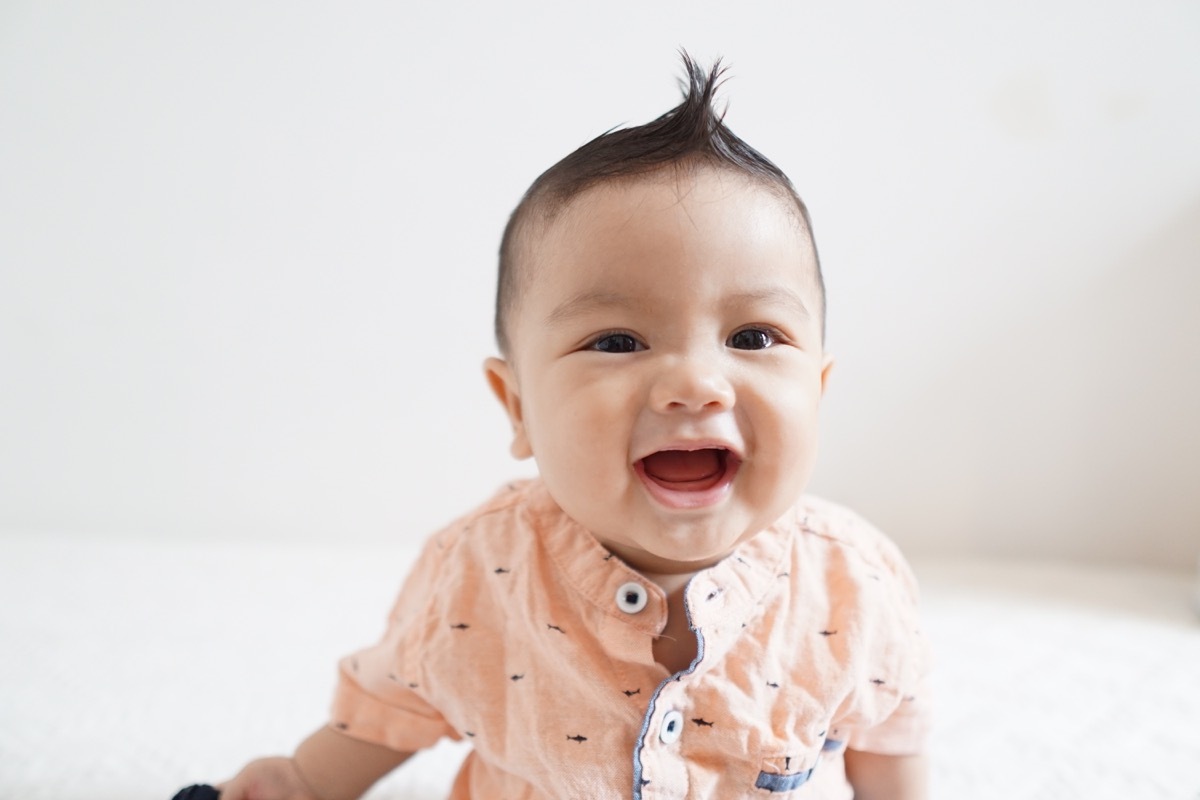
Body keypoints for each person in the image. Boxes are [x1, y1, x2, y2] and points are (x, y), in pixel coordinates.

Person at [213, 55, 932, 800]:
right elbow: (395, 697)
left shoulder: (853, 582)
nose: (693, 384)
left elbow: (890, 724)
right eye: (618, 341)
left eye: (752, 337)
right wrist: (302, 779)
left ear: (817, 389)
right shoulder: (481, 569)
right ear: (517, 406)